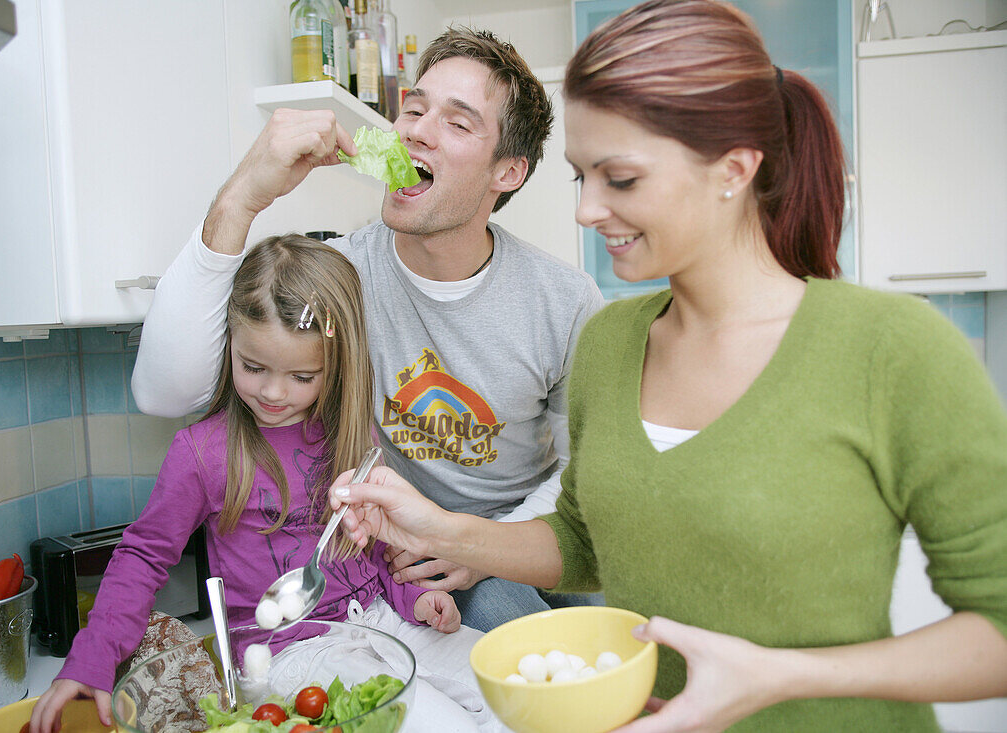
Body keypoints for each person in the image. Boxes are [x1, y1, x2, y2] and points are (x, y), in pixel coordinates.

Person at [329, 1, 1007, 730]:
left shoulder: (893, 348)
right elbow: (584, 542)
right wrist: (438, 528)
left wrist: (777, 676)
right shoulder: (612, 342)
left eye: (619, 178)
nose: (588, 210)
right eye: (580, 178)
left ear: (733, 171)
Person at [131, 27, 605, 632]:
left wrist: (483, 543)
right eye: (412, 109)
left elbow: (582, 468)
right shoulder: (340, 279)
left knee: (632, 643)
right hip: (409, 568)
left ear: (507, 172)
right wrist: (243, 197)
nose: (416, 130)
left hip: (530, 536)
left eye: (457, 123)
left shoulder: (563, 301)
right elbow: (165, 395)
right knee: (519, 646)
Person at [30, 235, 502, 733]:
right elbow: (142, 558)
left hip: (384, 619)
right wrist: (92, 661)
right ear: (230, 343)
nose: (274, 392)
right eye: (253, 367)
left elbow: (371, 550)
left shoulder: (350, 433)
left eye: (302, 376)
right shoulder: (203, 454)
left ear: (335, 366)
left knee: (512, 688)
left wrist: (415, 599)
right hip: (290, 651)